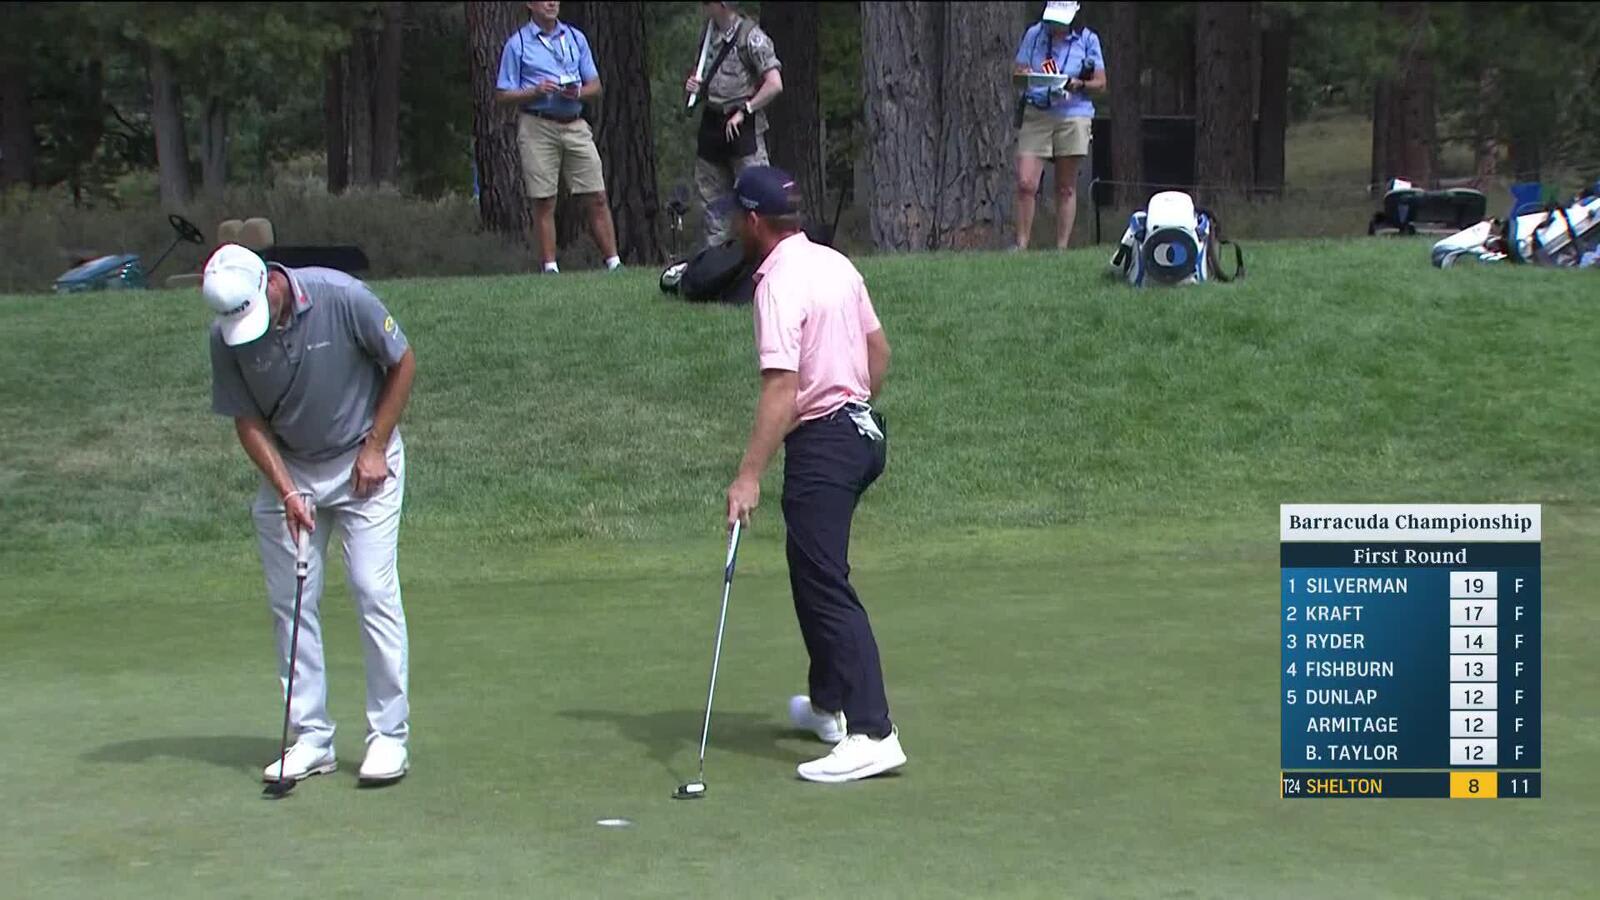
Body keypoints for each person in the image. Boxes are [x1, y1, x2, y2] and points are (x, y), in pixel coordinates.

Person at [202, 243, 418, 788]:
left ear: (271, 285)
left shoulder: (341, 296)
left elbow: (403, 362)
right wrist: (285, 489)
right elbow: (246, 419)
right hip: (293, 469)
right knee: (292, 602)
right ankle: (313, 739)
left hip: (364, 457)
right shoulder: (226, 336)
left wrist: (374, 447)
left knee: (372, 588)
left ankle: (389, 737)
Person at [722, 166, 905, 784]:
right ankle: (829, 703)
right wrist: (851, 398)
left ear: (753, 221)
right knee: (812, 573)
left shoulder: (775, 284)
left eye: (734, 217)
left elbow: (781, 388)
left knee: (825, 583)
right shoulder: (834, 263)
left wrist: (748, 477)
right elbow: (878, 353)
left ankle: (874, 731)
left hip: (825, 443)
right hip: (859, 433)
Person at [496, 0, 622, 274]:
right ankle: (550, 267)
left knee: (597, 194)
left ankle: (614, 263)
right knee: (544, 199)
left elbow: (596, 86)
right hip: (537, 125)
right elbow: (503, 94)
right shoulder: (517, 44)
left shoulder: (575, 37)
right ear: (530, 5)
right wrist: (536, 91)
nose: (552, 3)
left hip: (575, 123)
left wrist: (577, 92)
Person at [683, 0, 783, 248]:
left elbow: (774, 84)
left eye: (708, 2)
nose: (703, 7)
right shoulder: (707, 36)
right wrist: (696, 87)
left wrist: (746, 109)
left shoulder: (751, 37)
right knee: (712, 200)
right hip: (712, 123)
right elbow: (706, 76)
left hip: (742, 125)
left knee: (756, 194)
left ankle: (762, 258)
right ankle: (718, 262)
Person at [1013, 0, 1106, 250]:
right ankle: (1021, 245)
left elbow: (1100, 83)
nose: (1055, 27)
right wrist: (1028, 75)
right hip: (1037, 111)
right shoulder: (1034, 34)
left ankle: (1061, 248)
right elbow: (1019, 69)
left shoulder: (1087, 40)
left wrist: (1078, 84)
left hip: (1072, 114)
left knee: (1065, 187)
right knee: (1026, 182)